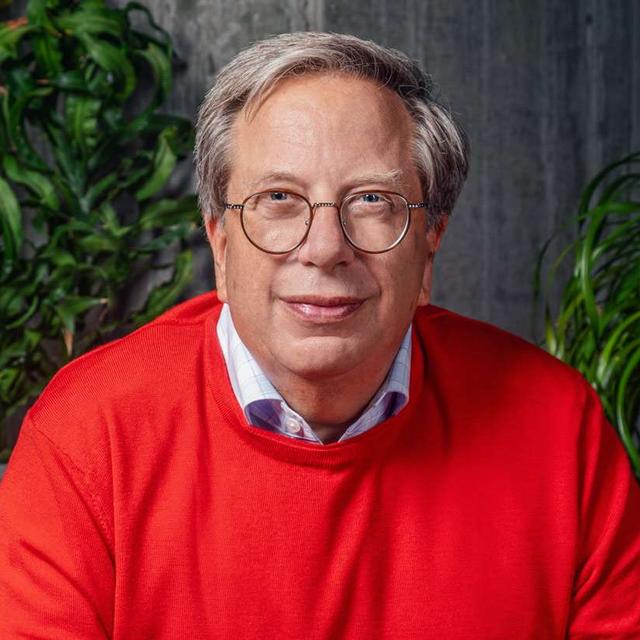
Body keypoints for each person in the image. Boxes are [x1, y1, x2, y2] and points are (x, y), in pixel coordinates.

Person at [0, 31, 639, 639]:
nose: (325, 248)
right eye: (279, 197)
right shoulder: (88, 437)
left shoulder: (558, 427)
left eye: (371, 201)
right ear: (219, 243)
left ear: (430, 241)